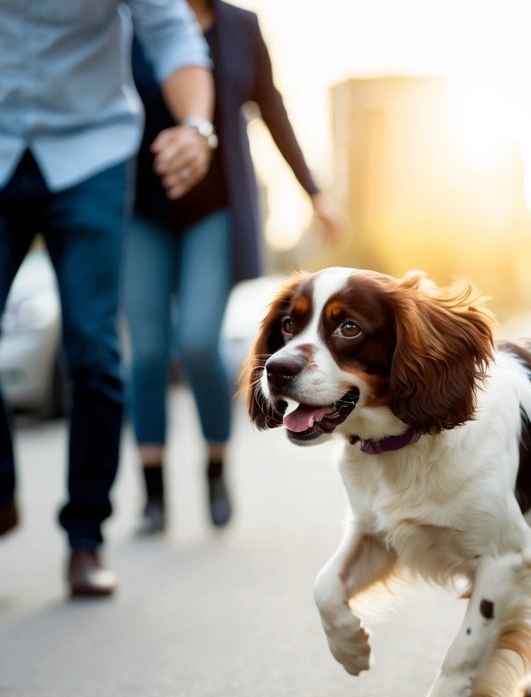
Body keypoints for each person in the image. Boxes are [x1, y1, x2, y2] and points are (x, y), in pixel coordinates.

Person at [0, 0, 215, 598]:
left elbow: (174, 35)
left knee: (93, 351)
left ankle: (85, 538)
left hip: (92, 155)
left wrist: (197, 128)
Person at [123, 0, 341, 536]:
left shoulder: (242, 27)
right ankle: (153, 494)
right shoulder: (129, 18)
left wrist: (315, 192)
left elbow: (273, 110)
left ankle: (216, 468)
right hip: (139, 211)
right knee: (147, 351)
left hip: (214, 212)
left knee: (198, 342)